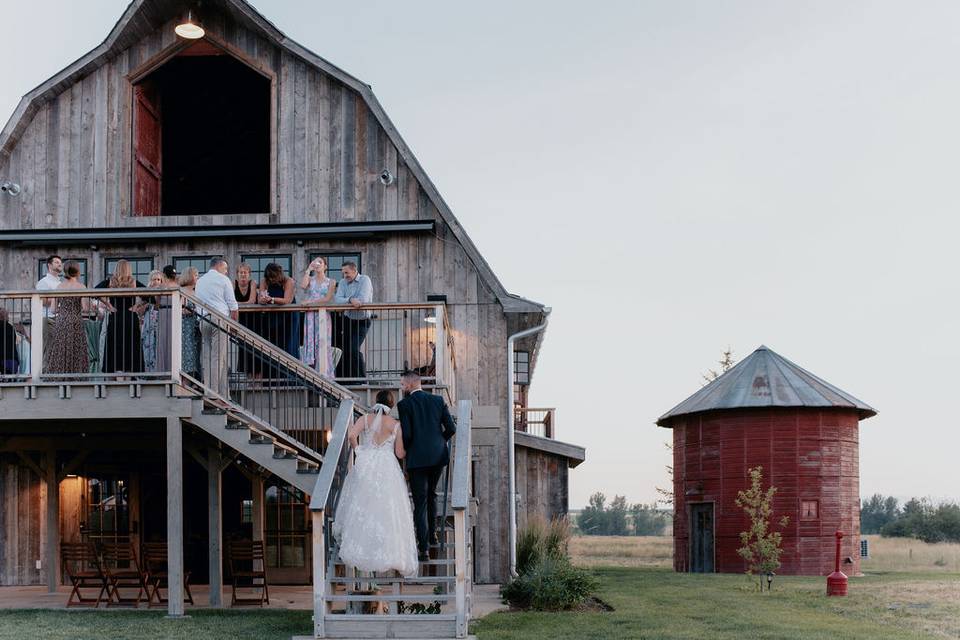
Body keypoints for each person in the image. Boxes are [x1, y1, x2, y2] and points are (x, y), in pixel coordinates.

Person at [333, 390, 419, 577]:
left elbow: (351, 436)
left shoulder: (365, 419)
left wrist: (359, 451)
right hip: (387, 466)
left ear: (375, 401)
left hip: (367, 462)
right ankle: (391, 554)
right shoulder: (396, 425)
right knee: (388, 508)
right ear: (391, 405)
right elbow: (400, 454)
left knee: (363, 504)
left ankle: (362, 548)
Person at [397, 371, 456, 560]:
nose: (402, 387)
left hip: (417, 459)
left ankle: (423, 549)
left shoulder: (404, 405)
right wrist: (439, 442)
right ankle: (432, 535)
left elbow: (407, 434)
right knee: (432, 495)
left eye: (403, 384)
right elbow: (451, 428)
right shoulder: (438, 401)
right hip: (437, 456)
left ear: (411, 384)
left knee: (420, 502)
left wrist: (405, 451)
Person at [194, 258, 238, 396]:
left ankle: (224, 395)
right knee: (218, 358)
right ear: (219, 266)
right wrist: (234, 325)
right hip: (219, 320)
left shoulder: (200, 281)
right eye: (225, 269)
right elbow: (233, 305)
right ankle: (213, 395)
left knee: (210, 358)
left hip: (203, 320)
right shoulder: (223, 280)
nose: (226, 272)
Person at [96, 259, 145, 375]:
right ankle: (129, 377)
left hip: (116, 316)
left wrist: (109, 305)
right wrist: (137, 306)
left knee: (115, 347)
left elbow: (94, 292)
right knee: (130, 346)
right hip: (130, 317)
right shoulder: (133, 282)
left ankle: (118, 377)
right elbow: (150, 296)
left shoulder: (110, 281)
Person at [44, 261, 90, 376]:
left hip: (62, 320)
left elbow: (53, 309)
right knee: (76, 348)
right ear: (77, 271)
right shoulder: (81, 287)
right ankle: (77, 377)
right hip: (76, 320)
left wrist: (64, 310)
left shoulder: (59, 287)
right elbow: (85, 308)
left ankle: (60, 376)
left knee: (61, 349)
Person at [332, 261, 373, 379]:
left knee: (354, 348)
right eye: (343, 273)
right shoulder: (343, 283)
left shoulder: (365, 280)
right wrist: (350, 300)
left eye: (347, 273)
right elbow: (337, 299)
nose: (344, 276)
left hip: (362, 320)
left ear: (355, 271)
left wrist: (350, 300)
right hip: (347, 319)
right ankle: (345, 379)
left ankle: (360, 378)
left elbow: (363, 299)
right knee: (343, 349)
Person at [300, 256, 337, 377]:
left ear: (325, 266)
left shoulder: (331, 281)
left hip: (323, 315)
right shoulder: (310, 279)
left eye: (320, 262)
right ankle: (310, 373)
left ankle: (325, 373)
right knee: (310, 340)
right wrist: (308, 269)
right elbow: (303, 286)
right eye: (316, 261)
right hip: (310, 315)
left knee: (323, 341)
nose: (317, 264)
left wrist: (309, 302)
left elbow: (327, 299)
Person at [257, 262, 296, 361]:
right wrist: (262, 300)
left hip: (288, 316)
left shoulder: (289, 281)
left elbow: (287, 300)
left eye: (273, 277)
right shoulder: (264, 281)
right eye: (269, 277)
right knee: (271, 344)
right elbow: (260, 298)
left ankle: (289, 374)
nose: (271, 279)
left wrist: (271, 299)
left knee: (288, 344)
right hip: (271, 317)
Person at [233, 263, 258, 375]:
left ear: (249, 274)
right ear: (237, 274)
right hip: (241, 320)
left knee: (255, 349)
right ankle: (249, 380)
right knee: (243, 349)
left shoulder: (252, 283)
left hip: (254, 320)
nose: (243, 275)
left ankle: (257, 381)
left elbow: (252, 301)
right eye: (241, 272)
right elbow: (230, 302)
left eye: (245, 272)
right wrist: (239, 304)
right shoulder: (233, 283)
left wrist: (236, 304)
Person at [36, 254, 63, 356]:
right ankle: (45, 371)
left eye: (60, 263)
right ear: (49, 265)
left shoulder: (60, 282)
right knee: (48, 349)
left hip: (59, 318)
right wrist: (59, 299)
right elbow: (42, 300)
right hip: (48, 318)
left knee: (57, 350)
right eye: (57, 262)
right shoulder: (43, 282)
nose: (60, 264)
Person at [179, 267, 202, 381]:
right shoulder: (181, 290)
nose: (198, 277)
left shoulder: (198, 291)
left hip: (196, 326)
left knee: (196, 353)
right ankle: (186, 380)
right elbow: (181, 309)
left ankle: (195, 379)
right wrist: (192, 310)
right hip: (185, 326)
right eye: (196, 275)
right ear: (189, 276)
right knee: (187, 354)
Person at [141, 270, 163, 372]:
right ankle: (148, 370)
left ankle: (158, 369)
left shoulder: (163, 292)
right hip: (147, 321)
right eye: (154, 279)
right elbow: (139, 310)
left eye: (158, 279)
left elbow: (158, 307)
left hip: (159, 320)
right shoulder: (147, 293)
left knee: (158, 344)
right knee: (147, 344)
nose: (156, 282)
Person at [0, 309, 20, 376]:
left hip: (3, 360)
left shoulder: (10, 327)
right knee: (11, 380)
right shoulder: (11, 327)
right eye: (7, 315)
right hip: (12, 360)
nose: (8, 317)